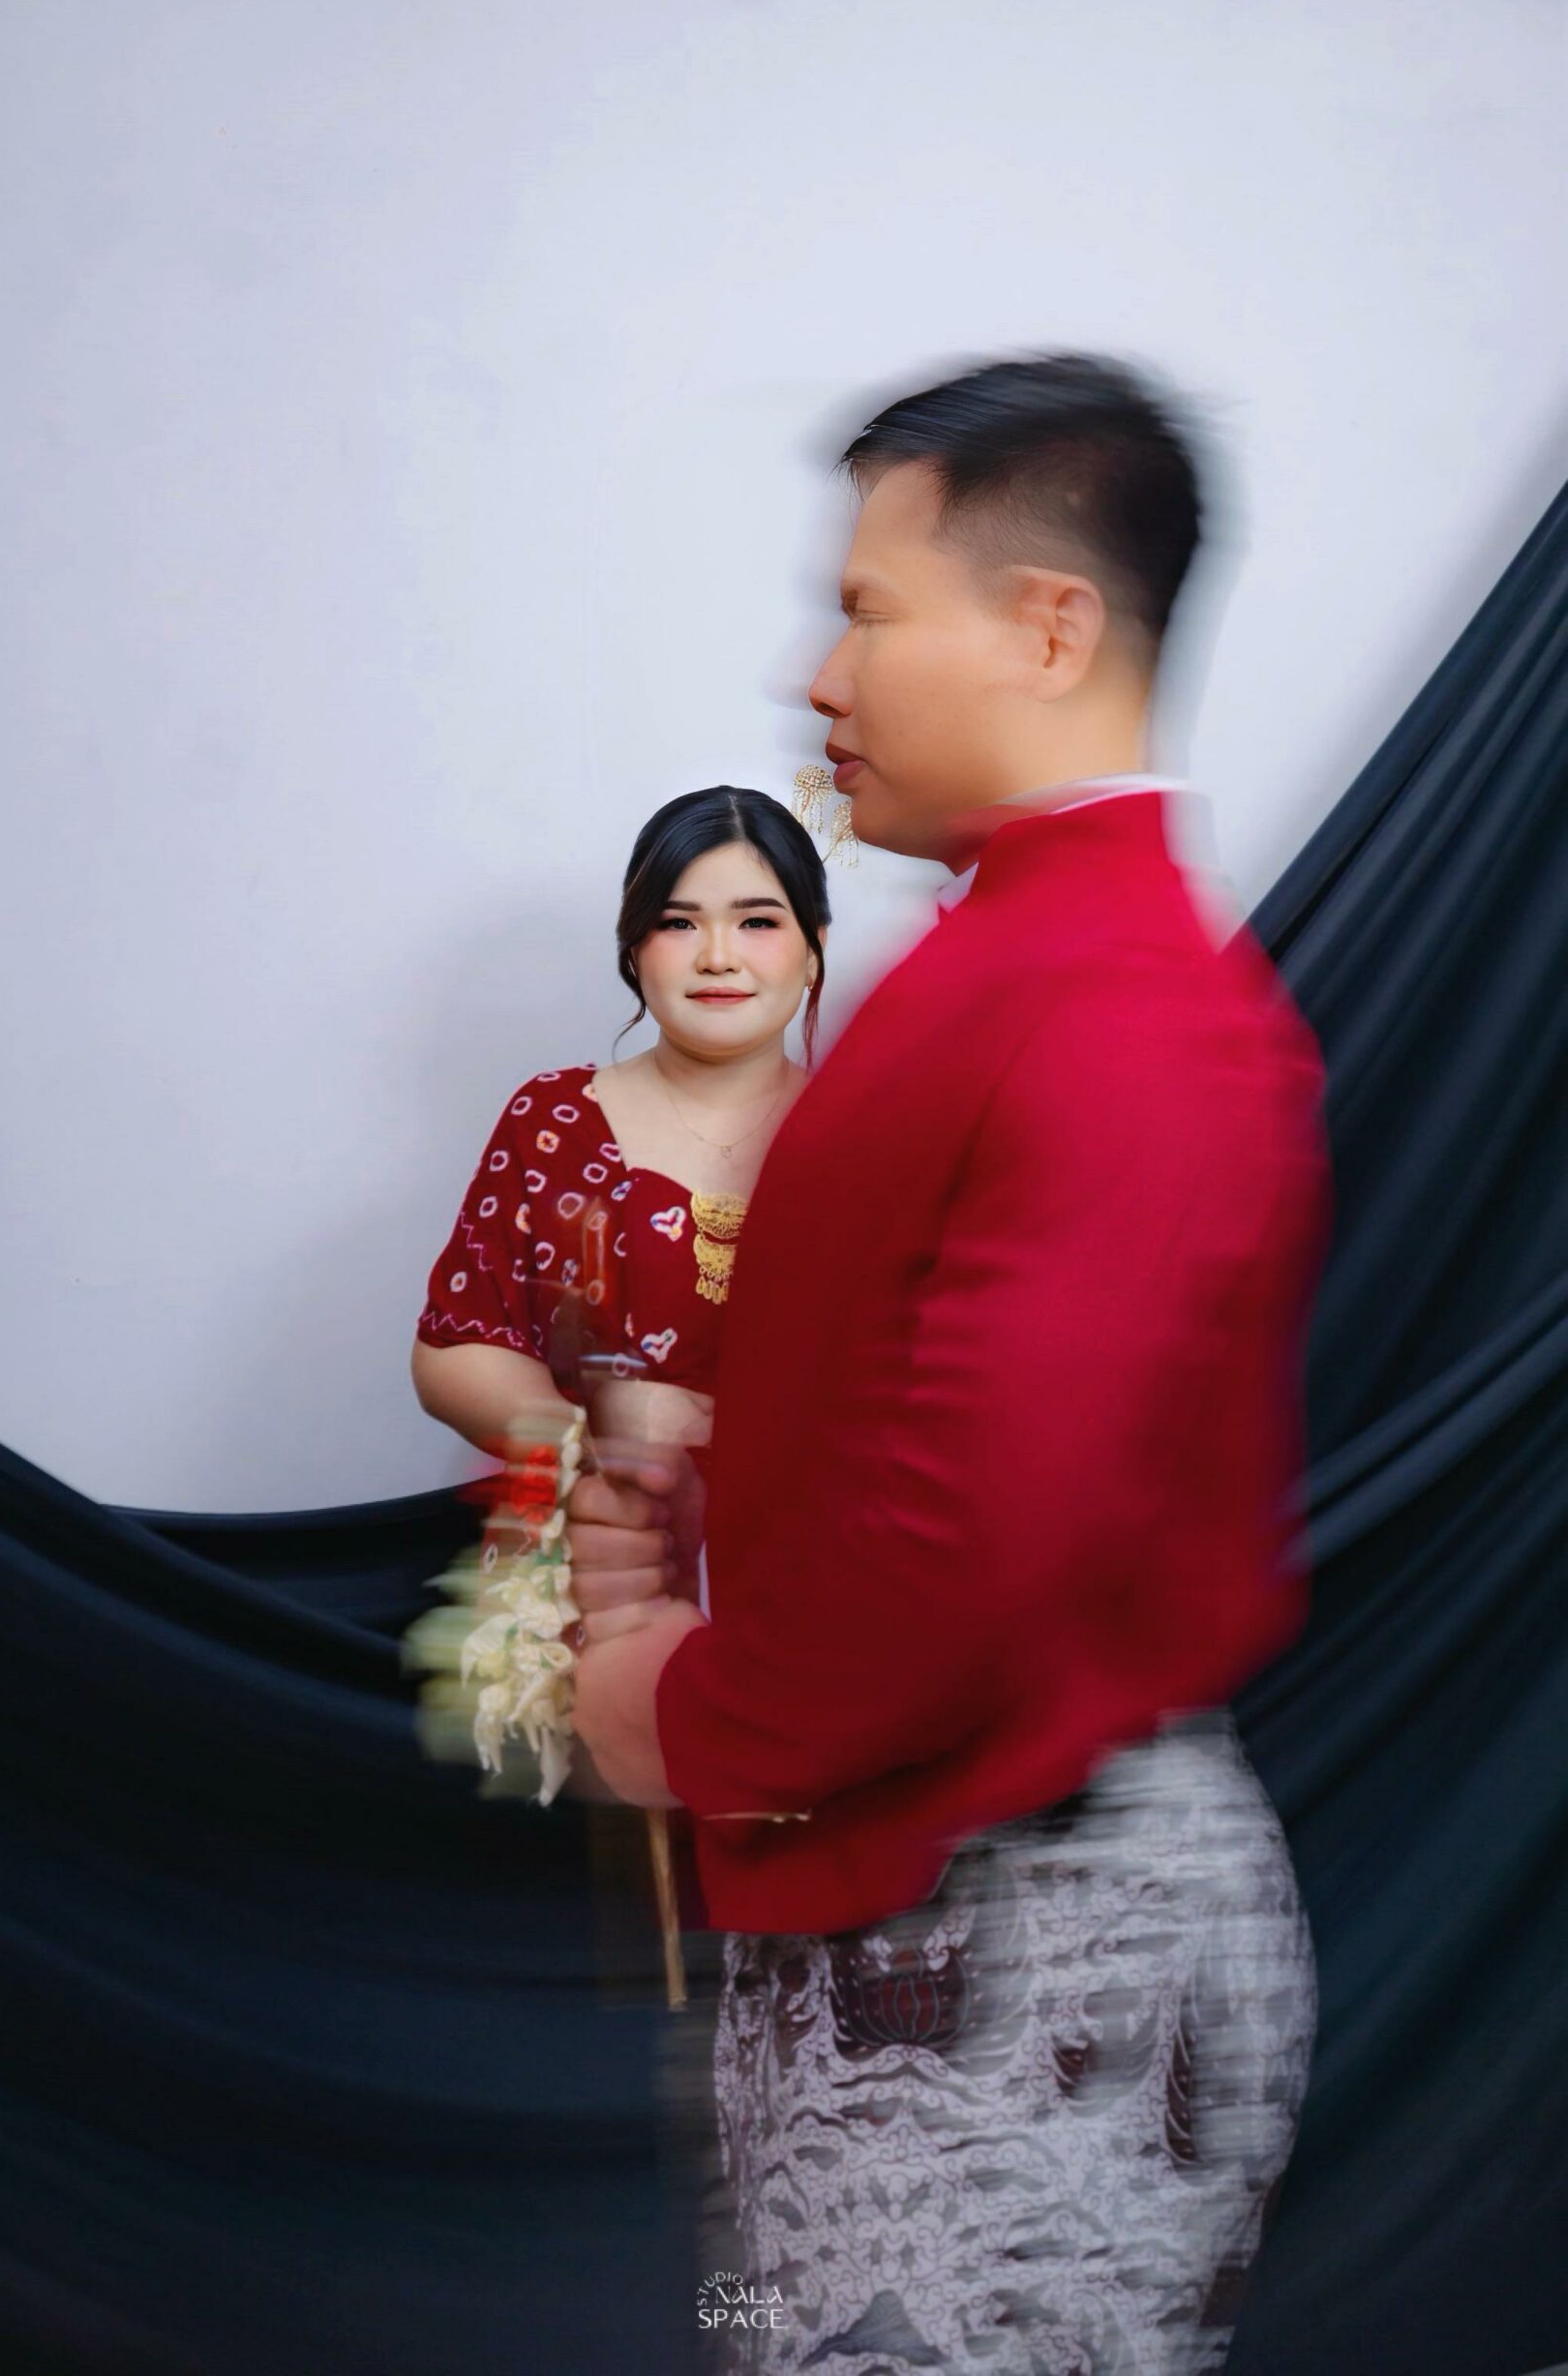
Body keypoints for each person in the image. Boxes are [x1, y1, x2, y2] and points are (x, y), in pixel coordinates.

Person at [569, 356, 1334, 2372]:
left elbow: (982, 1537)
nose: (818, 676)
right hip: (931, 1911)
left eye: (869, 610)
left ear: (1047, 625)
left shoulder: (1120, 1004)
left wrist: (680, 1708)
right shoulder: (1022, 963)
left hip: (1011, 1944)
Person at [411, 784, 831, 1619]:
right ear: (633, 948)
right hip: (586, 1576)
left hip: (806, 1578)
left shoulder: (871, 1131)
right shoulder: (552, 1119)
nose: (718, 956)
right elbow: (454, 1350)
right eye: (679, 923)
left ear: (814, 947)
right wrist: (604, 1429)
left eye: (758, 921)